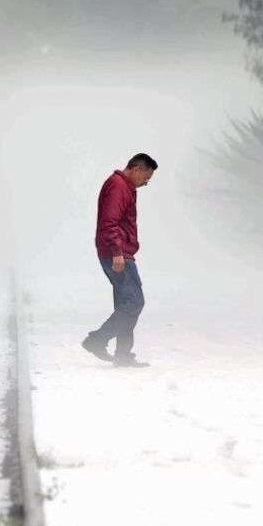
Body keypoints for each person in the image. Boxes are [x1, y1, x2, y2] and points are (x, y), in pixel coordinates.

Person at [82, 153, 158, 368]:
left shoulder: (124, 187)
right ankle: (97, 340)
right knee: (134, 302)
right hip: (117, 253)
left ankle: (123, 355)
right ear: (136, 168)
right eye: (146, 177)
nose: (146, 182)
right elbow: (109, 222)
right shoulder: (118, 186)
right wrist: (117, 252)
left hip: (119, 252)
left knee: (126, 304)